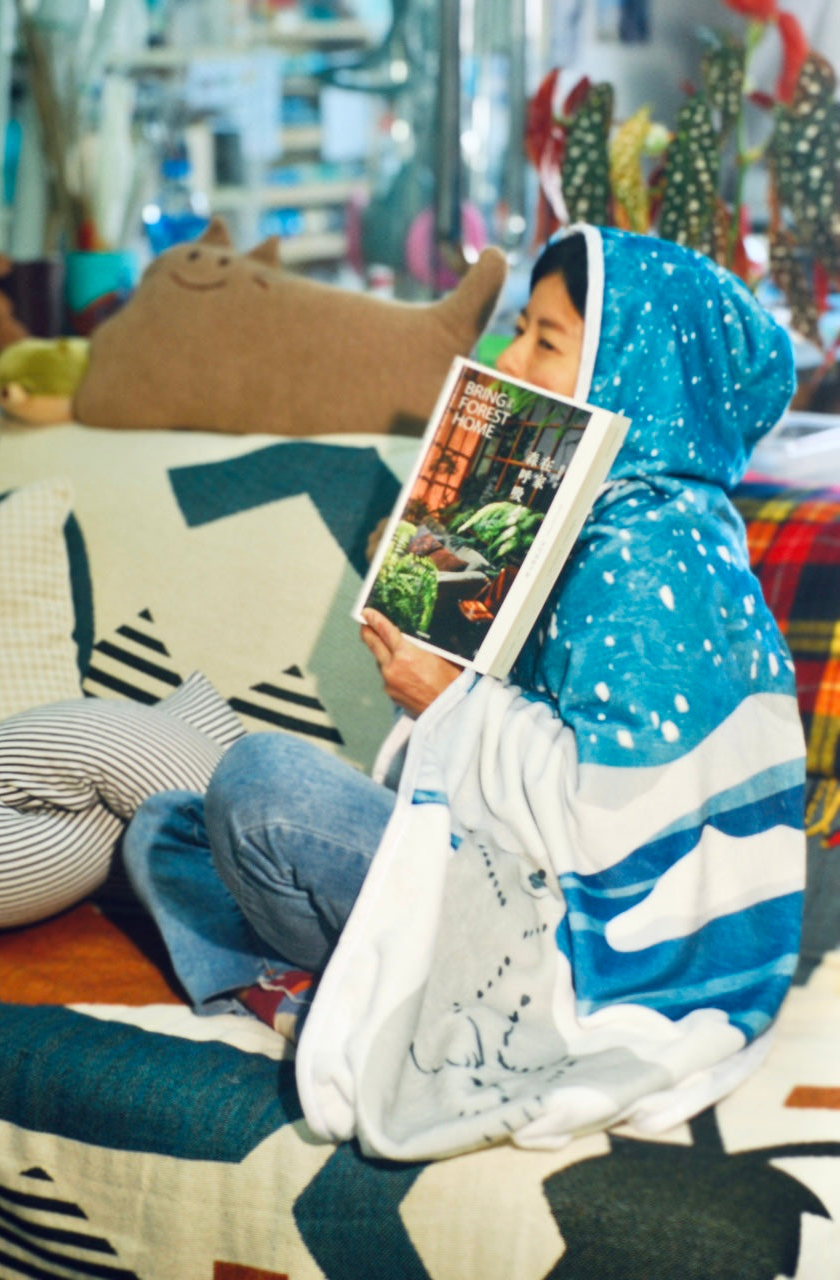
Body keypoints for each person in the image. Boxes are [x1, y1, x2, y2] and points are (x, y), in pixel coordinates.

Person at [123, 225, 806, 1160]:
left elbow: (617, 821)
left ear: (630, 366)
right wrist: (438, 624)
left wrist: (449, 701)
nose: (507, 359)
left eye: (546, 340)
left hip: (568, 937)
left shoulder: (642, 559)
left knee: (258, 785)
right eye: (518, 329)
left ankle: (358, 992)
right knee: (168, 824)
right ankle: (362, 980)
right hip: (491, 855)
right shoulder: (613, 508)